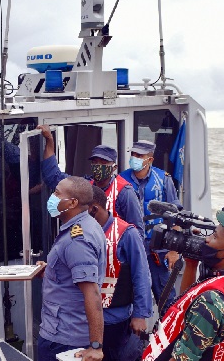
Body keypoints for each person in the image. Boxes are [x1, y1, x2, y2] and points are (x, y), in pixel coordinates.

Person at [141, 207, 224, 360]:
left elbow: (183, 358)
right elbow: (186, 304)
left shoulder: (212, 302)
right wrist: (191, 264)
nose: (207, 239)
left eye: (214, 237)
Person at [35, 176, 105, 361]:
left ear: (73, 202)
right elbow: (71, 271)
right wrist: (51, 269)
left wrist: (96, 346)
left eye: (57, 193)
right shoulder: (82, 226)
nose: (52, 197)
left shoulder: (78, 239)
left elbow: (92, 293)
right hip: (61, 332)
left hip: (64, 339)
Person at [37, 124, 144, 234]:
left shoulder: (124, 192)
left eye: (103, 163)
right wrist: (49, 140)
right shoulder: (85, 185)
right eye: (95, 162)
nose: (98, 166)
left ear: (114, 168)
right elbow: (53, 177)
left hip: (112, 248)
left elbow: (137, 231)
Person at [88, 186, 152, 360]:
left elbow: (141, 275)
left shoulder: (126, 234)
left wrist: (140, 315)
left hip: (114, 319)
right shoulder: (81, 231)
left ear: (93, 209)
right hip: (85, 318)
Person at [121, 139, 183, 307]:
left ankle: (167, 331)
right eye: (133, 154)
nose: (135, 158)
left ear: (150, 159)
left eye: (139, 155)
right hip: (130, 248)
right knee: (128, 296)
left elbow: (176, 217)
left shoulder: (164, 179)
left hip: (159, 250)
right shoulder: (121, 180)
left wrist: (174, 251)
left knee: (166, 300)